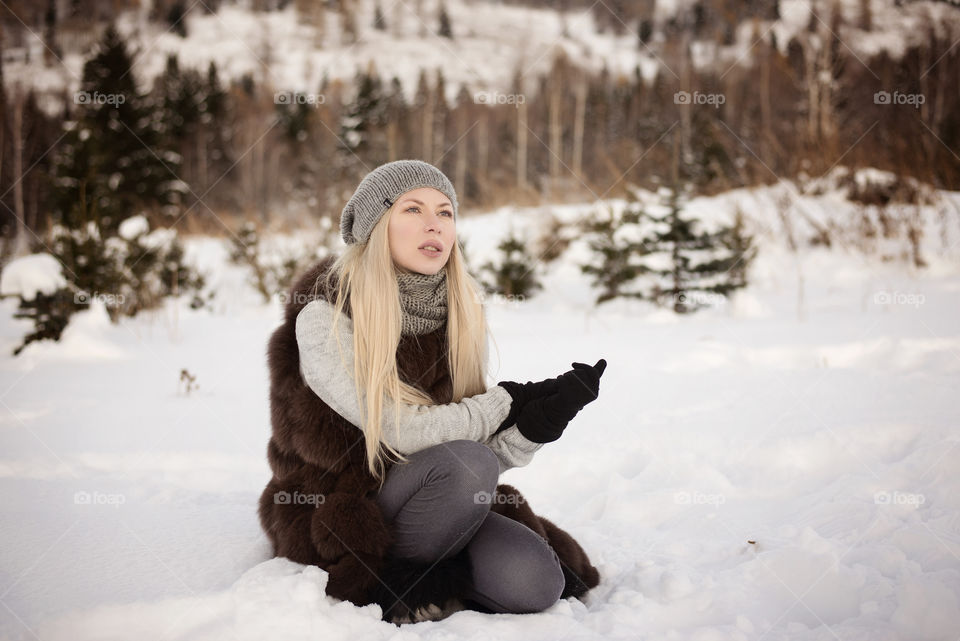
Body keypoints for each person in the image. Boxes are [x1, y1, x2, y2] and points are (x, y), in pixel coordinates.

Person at [258, 160, 605, 624]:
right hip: (344, 513)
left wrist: (535, 425)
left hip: (434, 500)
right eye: (413, 209)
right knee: (468, 464)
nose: (433, 224)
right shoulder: (325, 315)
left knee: (537, 581)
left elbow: (467, 456)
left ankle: (427, 576)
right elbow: (399, 431)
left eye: (445, 213)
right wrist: (506, 400)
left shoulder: (457, 315)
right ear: (375, 226)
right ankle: (390, 587)